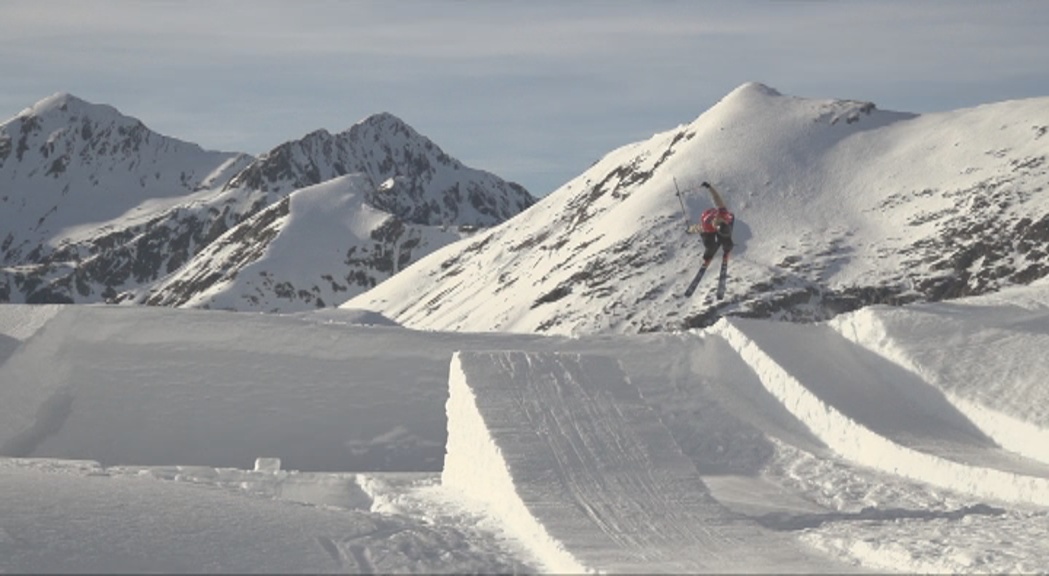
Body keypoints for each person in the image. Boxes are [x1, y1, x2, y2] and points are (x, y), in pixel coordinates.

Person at [687, 181, 734, 265]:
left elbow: (716, 197)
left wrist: (709, 187)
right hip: (706, 220)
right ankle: (707, 257)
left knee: (727, 241)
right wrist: (690, 229)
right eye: (717, 224)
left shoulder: (724, 215)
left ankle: (727, 248)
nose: (716, 224)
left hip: (720, 223)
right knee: (710, 245)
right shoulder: (707, 225)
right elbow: (698, 228)